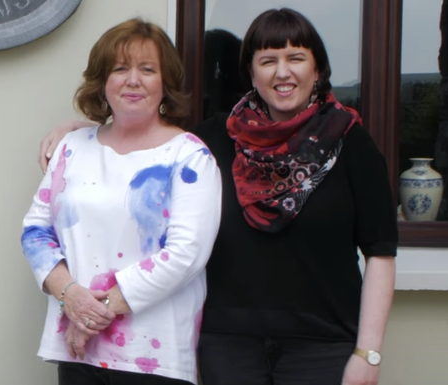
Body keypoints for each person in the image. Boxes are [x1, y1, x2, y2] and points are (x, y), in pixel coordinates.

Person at [38, 8, 397, 385]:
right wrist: (83, 133)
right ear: (252, 72)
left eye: (296, 58)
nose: (282, 72)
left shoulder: (351, 143)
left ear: (317, 70)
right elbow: (145, 137)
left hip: (322, 347)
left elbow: (381, 253)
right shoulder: (217, 139)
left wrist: (367, 353)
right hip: (228, 346)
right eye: (267, 60)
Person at [22, 18, 221, 385]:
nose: (133, 80)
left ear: (166, 84)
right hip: (77, 351)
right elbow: (36, 230)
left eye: (148, 69)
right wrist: (71, 297)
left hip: (152, 357)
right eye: (120, 69)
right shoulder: (71, 148)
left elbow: (186, 253)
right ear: (102, 81)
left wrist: (95, 313)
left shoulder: (189, 157)